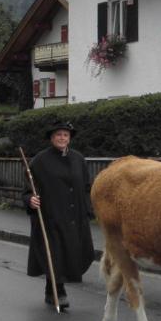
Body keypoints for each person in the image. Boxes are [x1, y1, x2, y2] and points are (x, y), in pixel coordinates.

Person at [22, 122, 95, 310]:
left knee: (72, 254)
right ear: (51, 138)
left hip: (75, 215)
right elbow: (28, 189)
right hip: (51, 214)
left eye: (65, 135)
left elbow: (87, 187)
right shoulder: (39, 161)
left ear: (69, 138)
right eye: (58, 135)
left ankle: (50, 290)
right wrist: (30, 199)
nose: (62, 138)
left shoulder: (78, 159)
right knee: (55, 254)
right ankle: (58, 292)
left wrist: (88, 210)